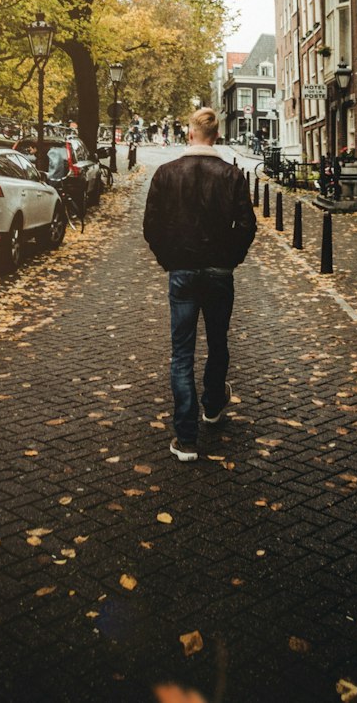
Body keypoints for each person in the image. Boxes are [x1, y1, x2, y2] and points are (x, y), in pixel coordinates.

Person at [143, 107, 257, 462]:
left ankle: (187, 439)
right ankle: (211, 407)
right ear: (217, 137)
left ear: (189, 134)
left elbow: (152, 227)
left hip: (182, 273)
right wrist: (229, 259)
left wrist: (170, 260)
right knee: (218, 342)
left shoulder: (166, 174)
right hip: (219, 274)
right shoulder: (231, 175)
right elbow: (247, 226)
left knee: (182, 353)